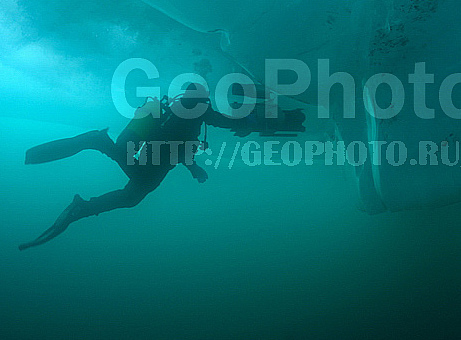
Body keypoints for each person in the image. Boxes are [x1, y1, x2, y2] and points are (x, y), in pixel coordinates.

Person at [19, 84, 305, 250]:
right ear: (202, 99)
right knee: (130, 192)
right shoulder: (197, 111)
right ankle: (96, 149)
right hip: (153, 163)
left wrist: (193, 166)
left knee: (130, 193)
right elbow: (204, 131)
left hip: (150, 159)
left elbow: (181, 142)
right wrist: (260, 120)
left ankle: (85, 198)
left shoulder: (178, 110)